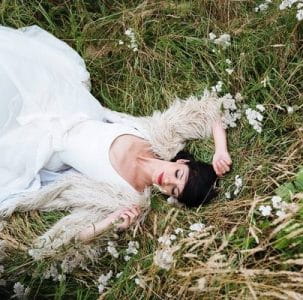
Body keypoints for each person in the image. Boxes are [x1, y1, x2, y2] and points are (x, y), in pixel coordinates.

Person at [0, 25, 232, 258]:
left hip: (43, 145)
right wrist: (220, 150)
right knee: (14, 62)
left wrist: (108, 224)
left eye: (173, 190)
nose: (167, 181)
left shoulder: (127, 197)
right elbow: (209, 110)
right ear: (181, 161)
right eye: (178, 175)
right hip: (70, 107)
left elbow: (72, 237)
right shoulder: (159, 136)